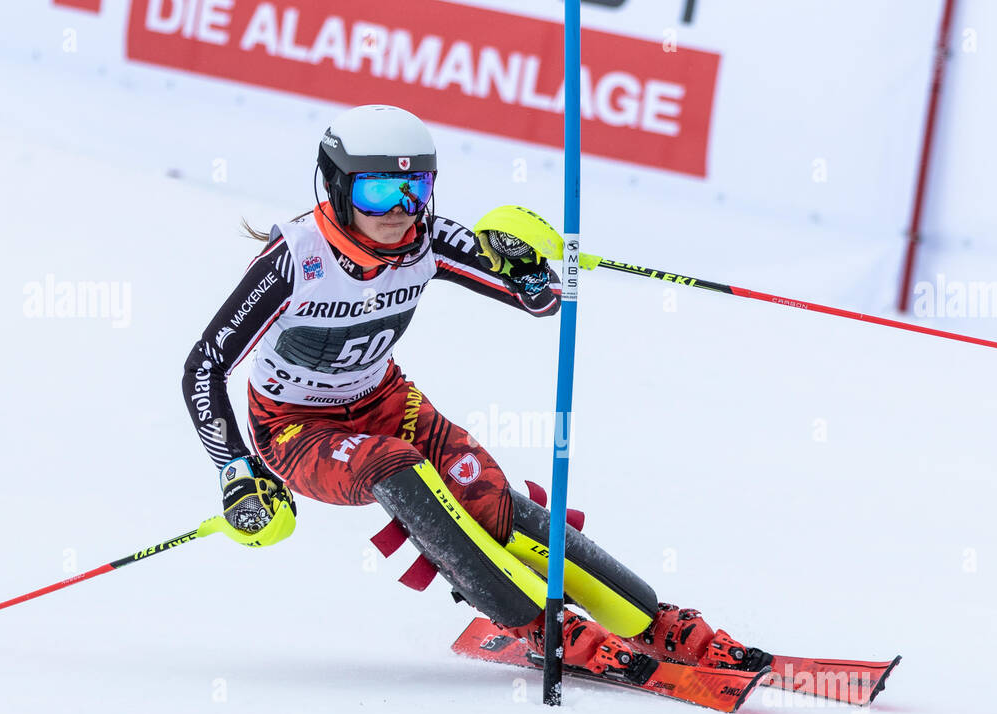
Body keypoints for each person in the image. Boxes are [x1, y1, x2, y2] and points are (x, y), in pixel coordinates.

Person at [181, 104, 771, 679]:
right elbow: (204, 367)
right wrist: (235, 469)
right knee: (397, 465)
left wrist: (533, 273)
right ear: (336, 186)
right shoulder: (295, 258)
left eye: (415, 190)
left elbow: (540, 303)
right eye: (378, 193)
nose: (400, 211)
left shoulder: (426, 237)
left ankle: (651, 619)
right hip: (297, 430)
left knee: (485, 495)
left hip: (387, 402)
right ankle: (539, 623)